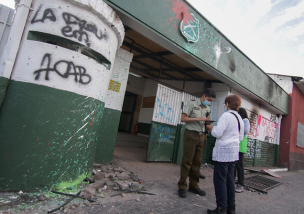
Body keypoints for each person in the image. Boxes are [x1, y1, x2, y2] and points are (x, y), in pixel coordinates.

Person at [206, 95, 244, 214]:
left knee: (220, 181)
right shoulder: (240, 119)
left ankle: (221, 208)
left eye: (224, 103)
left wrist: (210, 127)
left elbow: (217, 133)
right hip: (233, 154)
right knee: (230, 180)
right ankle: (231, 208)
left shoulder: (226, 116)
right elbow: (241, 137)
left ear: (227, 104)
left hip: (223, 153)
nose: (224, 105)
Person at [178, 88, 216, 198]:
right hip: (191, 134)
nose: (209, 102)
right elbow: (183, 118)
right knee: (187, 161)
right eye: (208, 99)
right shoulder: (192, 103)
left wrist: (214, 130)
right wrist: (198, 118)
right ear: (203, 96)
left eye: (211, 101)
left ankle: (194, 185)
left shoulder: (208, 108)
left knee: (197, 162)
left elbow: (208, 124)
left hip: (202, 136)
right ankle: (182, 185)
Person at [234, 108, 250, 193]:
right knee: (234, 164)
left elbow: (246, 130)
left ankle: (240, 184)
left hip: (241, 144)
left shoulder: (245, 120)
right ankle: (232, 181)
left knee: (239, 165)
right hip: (236, 144)